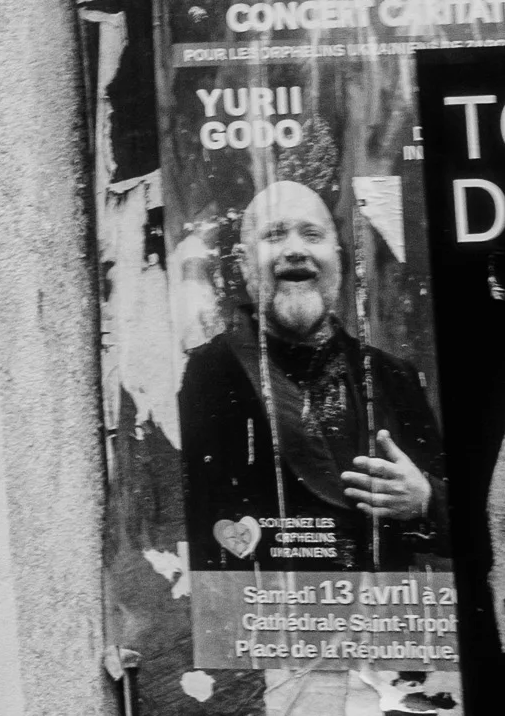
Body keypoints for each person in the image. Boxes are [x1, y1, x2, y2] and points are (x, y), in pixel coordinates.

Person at [180, 182, 445, 574]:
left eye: (312, 234)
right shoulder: (208, 374)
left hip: (386, 626)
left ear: (337, 256)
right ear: (243, 262)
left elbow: (473, 526)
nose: (295, 249)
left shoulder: (394, 377)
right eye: (274, 234)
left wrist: (425, 499)